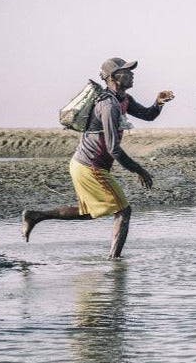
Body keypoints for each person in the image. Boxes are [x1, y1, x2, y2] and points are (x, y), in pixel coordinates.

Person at [21, 57, 175, 259]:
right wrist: (139, 169)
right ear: (112, 77)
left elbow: (148, 115)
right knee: (123, 211)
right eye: (126, 71)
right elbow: (113, 149)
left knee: (89, 212)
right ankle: (115, 263)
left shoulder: (123, 99)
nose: (132, 74)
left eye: (130, 71)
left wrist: (158, 103)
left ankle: (35, 216)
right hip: (90, 166)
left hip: (83, 164)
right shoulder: (108, 105)